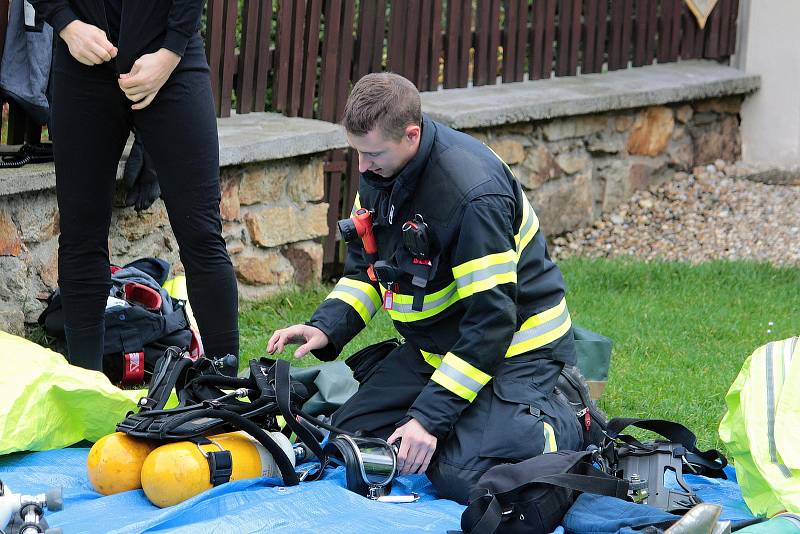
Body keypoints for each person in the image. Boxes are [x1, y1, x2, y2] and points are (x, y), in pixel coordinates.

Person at [268, 72, 583, 503]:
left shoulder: (472, 195)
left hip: (517, 350)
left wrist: (429, 420)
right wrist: (325, 327)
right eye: (357, 152)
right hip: (441, 349)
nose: (361, 166)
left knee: (461, 473)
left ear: (411, 135)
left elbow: (492, 324)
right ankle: (474, 416)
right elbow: (369, 271)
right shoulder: (382, 170)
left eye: (372, 153)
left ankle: (568, 417)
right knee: (344, 437)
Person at [30, 0, 239, 373]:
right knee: (81, 237)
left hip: (171, 64)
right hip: (83, 66)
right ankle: (86, 391)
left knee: (202, 235)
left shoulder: (172, 57)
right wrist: (66, 24)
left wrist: (171, 51)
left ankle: (226, 391)